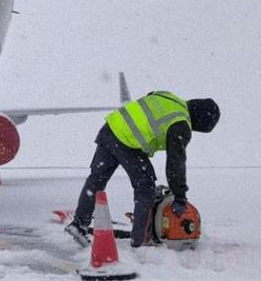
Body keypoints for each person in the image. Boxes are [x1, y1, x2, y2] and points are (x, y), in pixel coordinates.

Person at [65, 91, 220, 247]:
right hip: (128, 142)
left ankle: (79, 224)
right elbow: (175, 163)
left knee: (97, 179)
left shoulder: (169, 97)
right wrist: (179, 196)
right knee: (145, 187)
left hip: (111, 127)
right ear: (199, 120)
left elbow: (149, 102)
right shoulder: (181, 123)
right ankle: (140, 243)